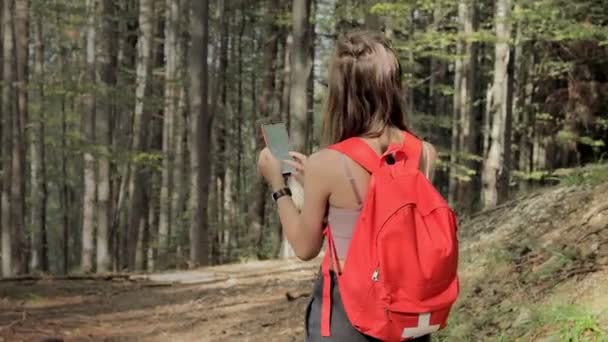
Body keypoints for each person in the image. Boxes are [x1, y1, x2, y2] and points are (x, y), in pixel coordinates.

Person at [257, 31, 437, 341]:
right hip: (407, 312)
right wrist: (312, 183)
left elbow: (304, 247)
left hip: (349, 317)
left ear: (343, 93)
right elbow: (387, 213)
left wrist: (279, 184)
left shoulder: (327, 162)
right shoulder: (424, 152)